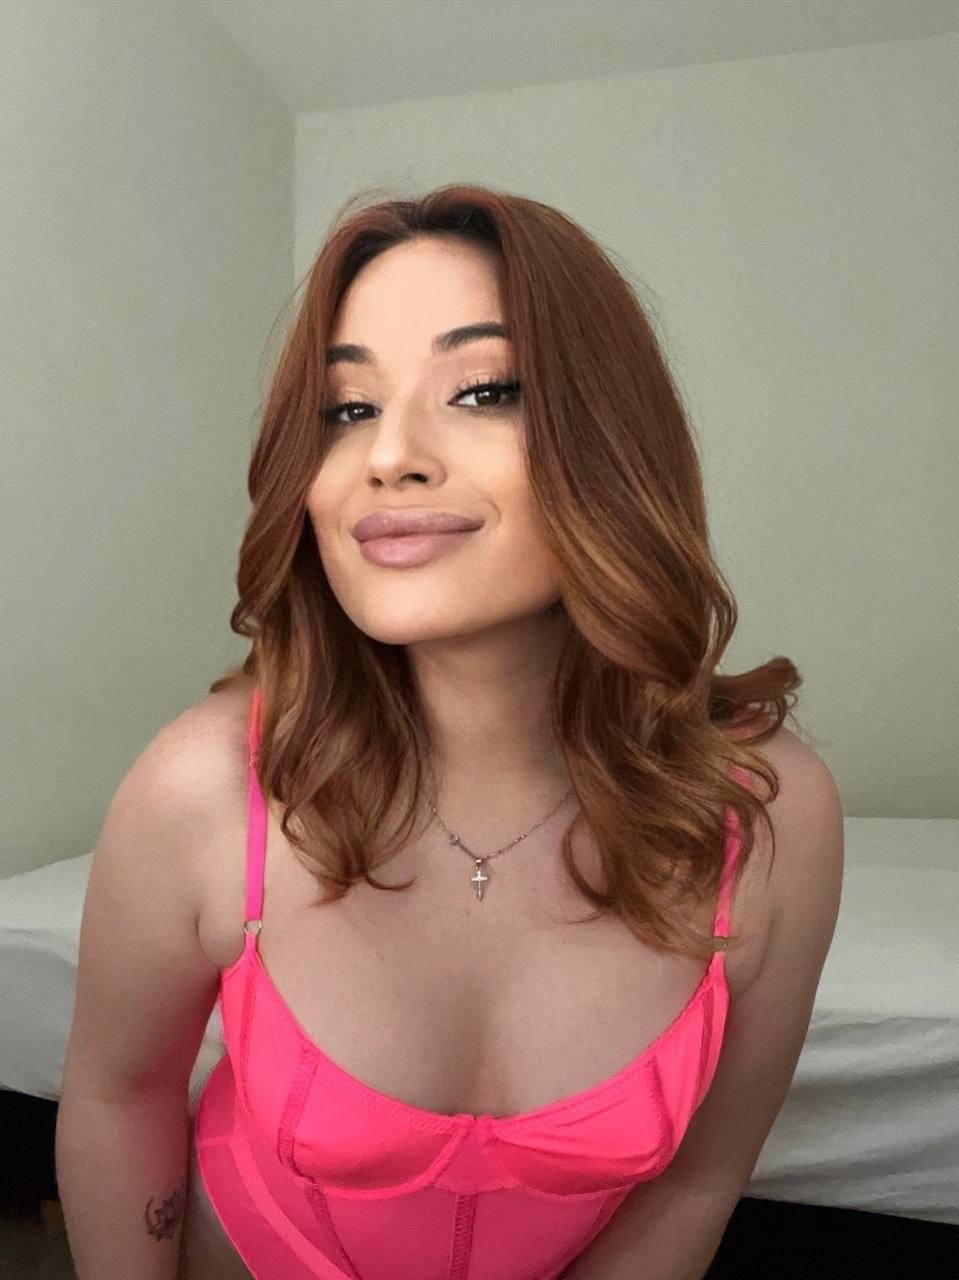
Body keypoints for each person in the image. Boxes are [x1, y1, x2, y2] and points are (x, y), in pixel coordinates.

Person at [56, 184, 841, 1280]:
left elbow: (699, 1177)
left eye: (482, 391)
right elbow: (117, 1092)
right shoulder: (203, 787)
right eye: (345, 409)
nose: (389, 454)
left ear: (610, 443)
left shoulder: (770, 817)